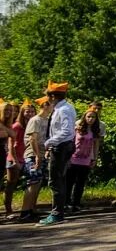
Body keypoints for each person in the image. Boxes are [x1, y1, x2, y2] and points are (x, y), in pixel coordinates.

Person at [38, 81, 75, 226]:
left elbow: (66, 131)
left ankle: (57, 214)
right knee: (60, 179)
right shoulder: (64, 107)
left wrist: (49, 142)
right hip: (63, 146)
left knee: (55, 180)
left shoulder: (63, 110)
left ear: (53, 96)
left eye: (48, 96)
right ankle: (59, 210)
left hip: (61, 147)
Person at [16, 98, 49, 222]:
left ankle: (31, 209)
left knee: (38, 183)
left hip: (42, 154)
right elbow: (32, 139)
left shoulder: (47, 120)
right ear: (45, 105)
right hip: (33, 155)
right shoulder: (35, 120)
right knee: (33, 181)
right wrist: (37, 156)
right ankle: (24, 212)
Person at [66, 106, 99, 213]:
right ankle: (66, 202)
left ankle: (76, 203)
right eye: (89, 117)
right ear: (84, 117)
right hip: (74, 158)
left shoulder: (94, 131)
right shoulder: (77, 128)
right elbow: (70, 141)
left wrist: (94, 158)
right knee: (69, 182)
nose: (91, 119)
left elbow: (95, 145)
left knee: (80, 183)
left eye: (93, 117)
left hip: (86, 160)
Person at [5, 100, 31, 218]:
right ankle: (8, 209)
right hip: (14, 158)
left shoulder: (27, 125)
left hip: (23, 157)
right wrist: (14, 160)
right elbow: (11, 144)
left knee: (16, 183)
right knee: (11, 184)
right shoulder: (16, 126)